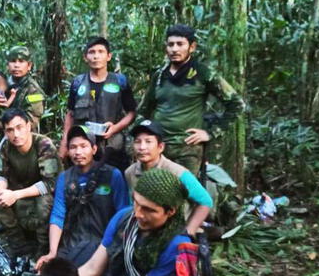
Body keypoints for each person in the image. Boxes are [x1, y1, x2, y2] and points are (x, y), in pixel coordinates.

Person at [43, 169, 192, 276]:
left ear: (170, 211)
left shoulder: (175, 246)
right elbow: (92, 269)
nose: (138, 214)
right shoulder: (123, 218)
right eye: (136, 202)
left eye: (149, 210)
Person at [138, 24, 245, 174]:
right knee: (153, 192)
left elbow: (236, 104)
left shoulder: (203, 73)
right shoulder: (159, 75)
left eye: (180, 44)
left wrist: (210, 133)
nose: (174, 49)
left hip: (187, 149)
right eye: (170, 44)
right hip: (159, 148)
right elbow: (143, 110)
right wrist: (142, 139)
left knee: (185, 194)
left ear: (192, 47)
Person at [36, 125, 129, 270]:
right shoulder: (64, 178)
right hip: (72, 243)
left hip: (103, 244)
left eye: (83, 146)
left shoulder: (112, 175)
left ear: (94, 149)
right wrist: (52, 252)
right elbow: (58, 215)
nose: (78, 152)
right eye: (73, 147)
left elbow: (123, 214)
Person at [0, 109, 60, 257]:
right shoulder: (6, 146)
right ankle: (18, 243)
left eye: (19, 127)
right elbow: (0, 175)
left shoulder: (43, 144)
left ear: (28, 126)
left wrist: (15, 195)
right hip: (18, 190)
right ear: (6, 132)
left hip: (40, 193)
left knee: (45, 201)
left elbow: (50, 183)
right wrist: (2, 192)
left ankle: (43, 247)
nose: (16, 134)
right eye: (10, 130)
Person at [59, 37, 137, 173]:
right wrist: (65, 142)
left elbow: (131, 113)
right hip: (83, 147)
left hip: (112, 147)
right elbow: (70, 114)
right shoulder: (78, 83)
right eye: (92, 52)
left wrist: (115, 128)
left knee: (113, 183)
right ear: (85, 57)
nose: (96, 56)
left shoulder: (120, 81)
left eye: (101, 52)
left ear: (108, 56)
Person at [125, 120, 213, 235]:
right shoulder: (130, 172)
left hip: (173, 231)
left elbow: (205, 201)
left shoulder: (177, 172)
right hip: (144, 228)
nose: (142, 147)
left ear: (160, 147)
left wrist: (188, 231)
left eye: (148, 142)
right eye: (137, 142)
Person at [0, 46, 46, 132]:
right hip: (4, 141)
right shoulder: (1, 84)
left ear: (29, 66)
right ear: (7, 65)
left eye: (21, 61)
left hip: (24, 141)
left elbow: (31, 122)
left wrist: (3, 124)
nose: (16, 65)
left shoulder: (34, 91)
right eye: (13, 61)